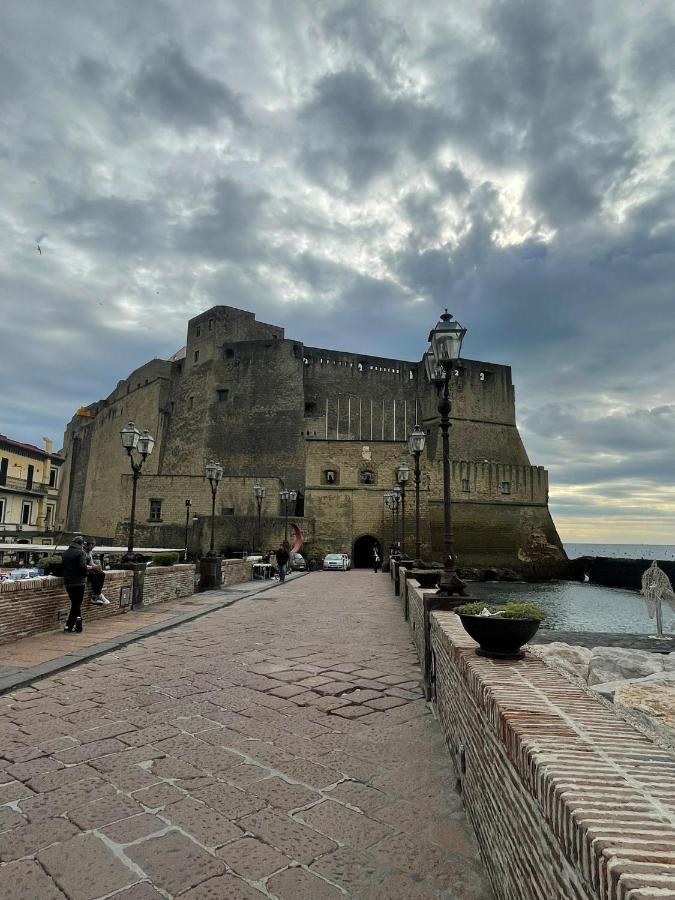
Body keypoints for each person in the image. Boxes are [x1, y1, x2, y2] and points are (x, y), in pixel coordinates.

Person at [62, 536, 88, 633]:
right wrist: (87, 573)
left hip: (68, 582)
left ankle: (78, 627)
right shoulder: (81, 553)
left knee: (75, 604)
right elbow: (82, 568)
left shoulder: (65, 553)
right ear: (81, 544)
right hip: (78, 582)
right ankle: (69, 626)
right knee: (76, 605)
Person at [84, 540, 110, 605]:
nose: (93, 547)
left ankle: (95, 596)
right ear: (89, 544)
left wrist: (98, 567)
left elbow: (91, 563)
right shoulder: (82, 551)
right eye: (93, 545)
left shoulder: (90, 551)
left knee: (102, 574)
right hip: (84, 569)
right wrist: (93, 568)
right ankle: (99, 594)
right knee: (93, 574)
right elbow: (82, 565)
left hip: (89, 567)